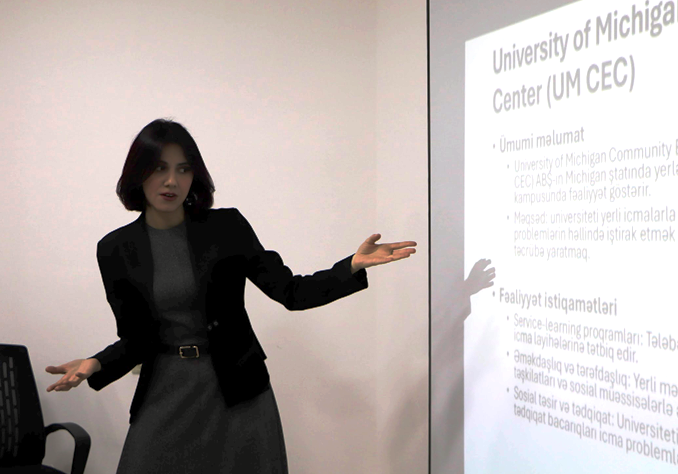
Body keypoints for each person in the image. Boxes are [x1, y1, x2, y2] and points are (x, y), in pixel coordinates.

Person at [44, 118, 416, 473]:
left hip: (236, 388)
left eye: (183, 169)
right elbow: (136, 338)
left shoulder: (227, 227)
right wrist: (95, 363)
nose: (171, 180)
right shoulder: (115, 249)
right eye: (159, 168)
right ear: (138, 173)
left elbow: (291, 291)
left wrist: (350, 265)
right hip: (166, 386)